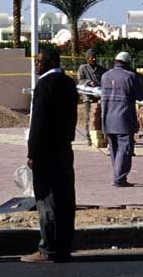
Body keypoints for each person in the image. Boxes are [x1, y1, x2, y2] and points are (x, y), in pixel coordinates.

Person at [21, 49, 79, 263]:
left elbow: (38, 122)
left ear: (51, 61)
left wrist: (33, 152)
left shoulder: (44, 85)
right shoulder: (68, 83)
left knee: (47, 200)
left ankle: (48, 248)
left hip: (46, 152)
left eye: (39, 61)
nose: (36, 64)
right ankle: (64, 245)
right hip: (64, 148)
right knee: (65, 199)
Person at [101, 51, 143, 187]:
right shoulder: (130, 76)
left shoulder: (105, 76)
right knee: (124, 148)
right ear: (127, 63)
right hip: (124, 118)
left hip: (107, 118)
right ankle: (119, 178)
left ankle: (117, 175)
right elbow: (141, 96)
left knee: (114, 149)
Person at [77, 49, 107, 149]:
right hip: (88, 96)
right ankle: (89, 137)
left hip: (99, 96)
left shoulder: (102, 69)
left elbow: (106, 79)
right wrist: (89, 82)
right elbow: (80, 80)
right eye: (91, 58)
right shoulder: (83, 68)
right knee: (89, 117)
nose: (93, 59)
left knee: (101, 116)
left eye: (94, 57)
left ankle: (101, 136)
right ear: (87, 59)